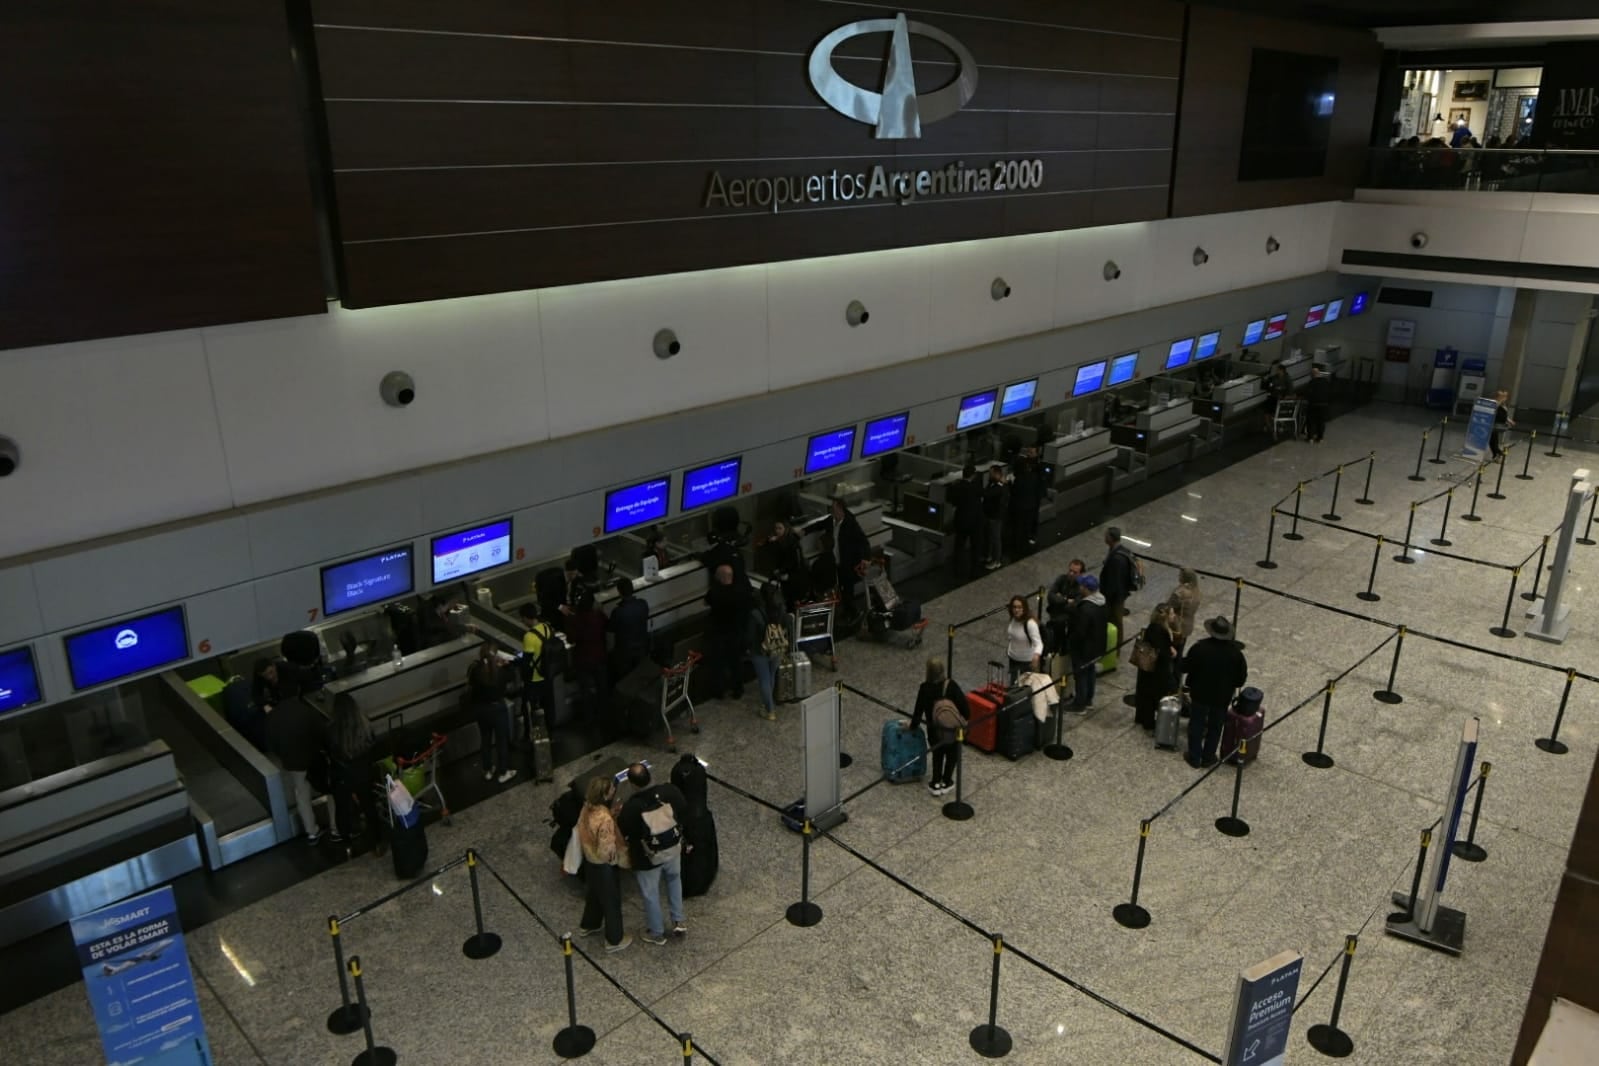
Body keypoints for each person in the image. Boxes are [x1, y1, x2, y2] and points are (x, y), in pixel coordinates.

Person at [617, 762, 689, 945]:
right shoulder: (670, 791)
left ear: (632, 784)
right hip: (672, 849)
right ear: (650, 776)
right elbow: (683, 809)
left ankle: (656, 933)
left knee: (651, 893)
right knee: (674, 880)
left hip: (647, 858)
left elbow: (624, 830)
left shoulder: (632, 807)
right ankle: (678, 921)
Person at [1181, 616, 1249, 769]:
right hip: (1222, 697)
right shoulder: (1236, 654)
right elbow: (1240, 680)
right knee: (1215, 727)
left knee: (1196, 724)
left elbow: (1185, 667)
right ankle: (1208, 757)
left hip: (1200, 694)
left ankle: (1194, 757)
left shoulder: (1200, 648)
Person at [576, 776, 632, 953]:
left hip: (589, 859)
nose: (614, 790)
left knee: (594, 894)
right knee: (611, 900)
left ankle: (590, 924)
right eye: (610, 790)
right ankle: (614, 939)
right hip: (602, 864)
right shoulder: (604, 819)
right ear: (604, 794)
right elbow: (607, 850)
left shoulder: (586, 807)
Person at [266, 692, 328, 842]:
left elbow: (271, 742)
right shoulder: (305, 710)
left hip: (292, 762)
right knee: (330, 789)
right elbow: (320, 732)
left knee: (301, 793)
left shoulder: (274, 716)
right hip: (313, 758)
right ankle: (336, 828)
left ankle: (311, 831)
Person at [908, 656, 969, 796]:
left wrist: (912, 726)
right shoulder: (951, 685)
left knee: (938, 754)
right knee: (952, 754)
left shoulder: (924, 688)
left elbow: (918, 713)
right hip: (954, 731)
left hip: (934, 731)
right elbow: (966, 711)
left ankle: (936, 782)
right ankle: (947, 781)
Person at [325, 692, 374, 844]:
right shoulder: (364, 725)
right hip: (362, 773)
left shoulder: (332, 730)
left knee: (342, 810)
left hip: (342, 777)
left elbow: (330, 752)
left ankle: (347, 843)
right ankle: (376, 840)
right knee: (368, 806)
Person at [466, 641, 517, 784]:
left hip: (481, 709)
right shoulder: (501, 672)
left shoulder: (475, 670)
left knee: (486, 739)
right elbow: (512, 676)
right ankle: (503, 772)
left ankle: (487, 770)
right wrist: (507, 664)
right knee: (501, 741)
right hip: (497, 709)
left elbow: (471, 683)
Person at [703, 563, 751, 700]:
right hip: (736, 632)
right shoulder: (739, 591)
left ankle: (719, 691)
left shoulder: (715, 592)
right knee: (735, 662)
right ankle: (738, 689)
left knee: (718, 663)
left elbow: (706, 602)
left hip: (719, 632)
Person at [1133, 604, 1179, 732]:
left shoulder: (1153, 627)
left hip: (1149, 669)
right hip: (1156, 671)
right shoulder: (1161, 631)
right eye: (1172, 614)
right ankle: (1149, 722)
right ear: (1165, 617)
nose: (1174, 616)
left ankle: (1144, 718)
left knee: (1147, 694)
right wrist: (1171, 653)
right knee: (1153, 695)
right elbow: (1162, 652)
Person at [1067, 575, 1109, 711]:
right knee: (1090, 672)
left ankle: (1080, 704)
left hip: (1083, 649)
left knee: (1081, 676)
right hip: (1097, 646)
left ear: (1086, 589)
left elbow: (1080, 632)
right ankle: (1088, 699)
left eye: (1082, 586)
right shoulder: (1102, 602)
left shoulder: (1085, 609)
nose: (1080, 588)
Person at [747, 582, 787, 721]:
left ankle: (770, 710)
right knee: (771, 675)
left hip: (760, 651)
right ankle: (768, 703)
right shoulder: (781, 608)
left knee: (764, 680)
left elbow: (751, 635)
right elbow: (787, 625)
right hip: (777, 648)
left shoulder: (756, 613)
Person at [568, 589, 609, 721]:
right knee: (602, 687)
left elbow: (571, 639)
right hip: (599, 656)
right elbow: (608, 625)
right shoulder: (598, 616)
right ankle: (604, 713)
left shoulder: (576, 620)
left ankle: (589, 716)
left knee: (585, 690)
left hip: (583, 659)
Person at [831, 498, 870, 621]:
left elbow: (863, 541)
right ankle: (848, 612)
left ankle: (852, 613)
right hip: (838, 561)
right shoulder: (833, 522)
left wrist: (865, 558)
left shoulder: (850, 524)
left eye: (835, 510)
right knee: (843, 589)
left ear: (842, 510)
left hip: (847, 562)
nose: (833, 512)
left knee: (847, 589)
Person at [519, 603, 556, 726]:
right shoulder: (547, 627)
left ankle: (531, 732)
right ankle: (551, 731)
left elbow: (526, 661)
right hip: (548, 673)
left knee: (528, 707)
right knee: (549, 704)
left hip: (535, 678)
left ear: (525, 617)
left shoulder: (529, 636)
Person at [763, 520, 810, 612]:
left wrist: (784, 572)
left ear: (786, 529)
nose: (777, 531)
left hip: (792, 578)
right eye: (776, 528)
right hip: (783, 576)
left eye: (780, 528)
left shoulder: (792, 544)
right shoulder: (777, 541)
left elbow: (795, 563)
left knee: (792, 602)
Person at [608, 578, 651, 678]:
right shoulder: (643, 604)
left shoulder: (618, 612)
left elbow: (611, 629)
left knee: (625, 679)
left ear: (619, 592)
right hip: (641, 647)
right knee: (640, 676)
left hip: (624, 652)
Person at [947, 464, 983, 578]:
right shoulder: (976, 487)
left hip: (961, 520)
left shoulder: (956, 487)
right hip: (975, 522)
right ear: (973, 475)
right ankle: (974, 571)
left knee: (959, 546)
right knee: (975, 547)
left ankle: (957, 570)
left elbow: (951, 500)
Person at [1099, 527, 1139, 629]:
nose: (1104, 537)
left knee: (1116, 620)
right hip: (1118, 593)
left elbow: (1116, 581)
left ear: (1111, 538)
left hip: (1116, 596)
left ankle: (1117, 643)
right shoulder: (1120, 550)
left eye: (1106, 535)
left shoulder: (1117, 558)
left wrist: (1108, 596)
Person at [1044, 559, 1086, 655]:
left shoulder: (1082, 588)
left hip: (1068, 620)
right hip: (1055, 615)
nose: (1071, 574)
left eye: (1075, 572)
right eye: (1070, 570)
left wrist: (1060, 598)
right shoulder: (1062, 579)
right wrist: (1066, 600)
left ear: (1081, 574)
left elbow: (1074, 606)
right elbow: (1050, 596)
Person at [1007, 450, 1042, 556]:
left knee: (1018, 528)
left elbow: (1014, 493)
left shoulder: (1018, 480)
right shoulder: (1033, 477)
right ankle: (1025, 547)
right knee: (1026, 528)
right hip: (1031, 506)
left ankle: (1017, 549)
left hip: (1019, 507)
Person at [1003, 595, 1043, 685]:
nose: (1016, 610)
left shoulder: (1030, 624)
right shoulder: (1013, 619)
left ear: (1024, 608)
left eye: (1020, 607)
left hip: (1026, 662)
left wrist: (1036, 656)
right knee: (1013, 686)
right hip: (1013, 659)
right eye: (1014, 607)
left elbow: (1039, 643)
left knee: (1024, 688)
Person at [1165, 568, 1203, 655]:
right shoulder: (1197, 592)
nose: (1178, 576)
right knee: (1180, 650)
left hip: (1176, 625)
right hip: (1188, 625)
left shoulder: (1180, 593)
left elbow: (1168, 606)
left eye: (1180, 575)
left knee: (1172, 651)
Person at [981, 464, 1009, 570]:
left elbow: (987, 494)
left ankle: (996, 560)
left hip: (995, 516)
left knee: (995, 538)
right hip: (990, 515)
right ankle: (990, 556)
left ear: (997, 474)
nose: (989, 475)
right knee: (990, 537)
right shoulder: (994, 484)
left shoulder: (999, 487)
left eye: (991, 473)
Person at [1305, 364, 1331, 444]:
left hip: (1313, 405)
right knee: (1321, 422)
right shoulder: (1326, 382)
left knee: (1311, 421)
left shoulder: (1312, 382)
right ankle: (1320, 438)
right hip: (1324, 404)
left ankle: (1310, 438)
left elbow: (1308, 393)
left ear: (1312, 375)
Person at [1490, 389, 1516, 459]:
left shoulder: (1503, 405)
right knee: (1492, 441)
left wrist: (1510, 421)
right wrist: (1501, 399)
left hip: (1499, 425)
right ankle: (1498, 453)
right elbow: (1495, 407)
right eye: (1502, 396)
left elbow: (1505, 415)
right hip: (1493, 424)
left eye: (1505, 397)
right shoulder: (1495, 403)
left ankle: (1497, 454)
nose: (1505, 398)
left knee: (1494, 440)